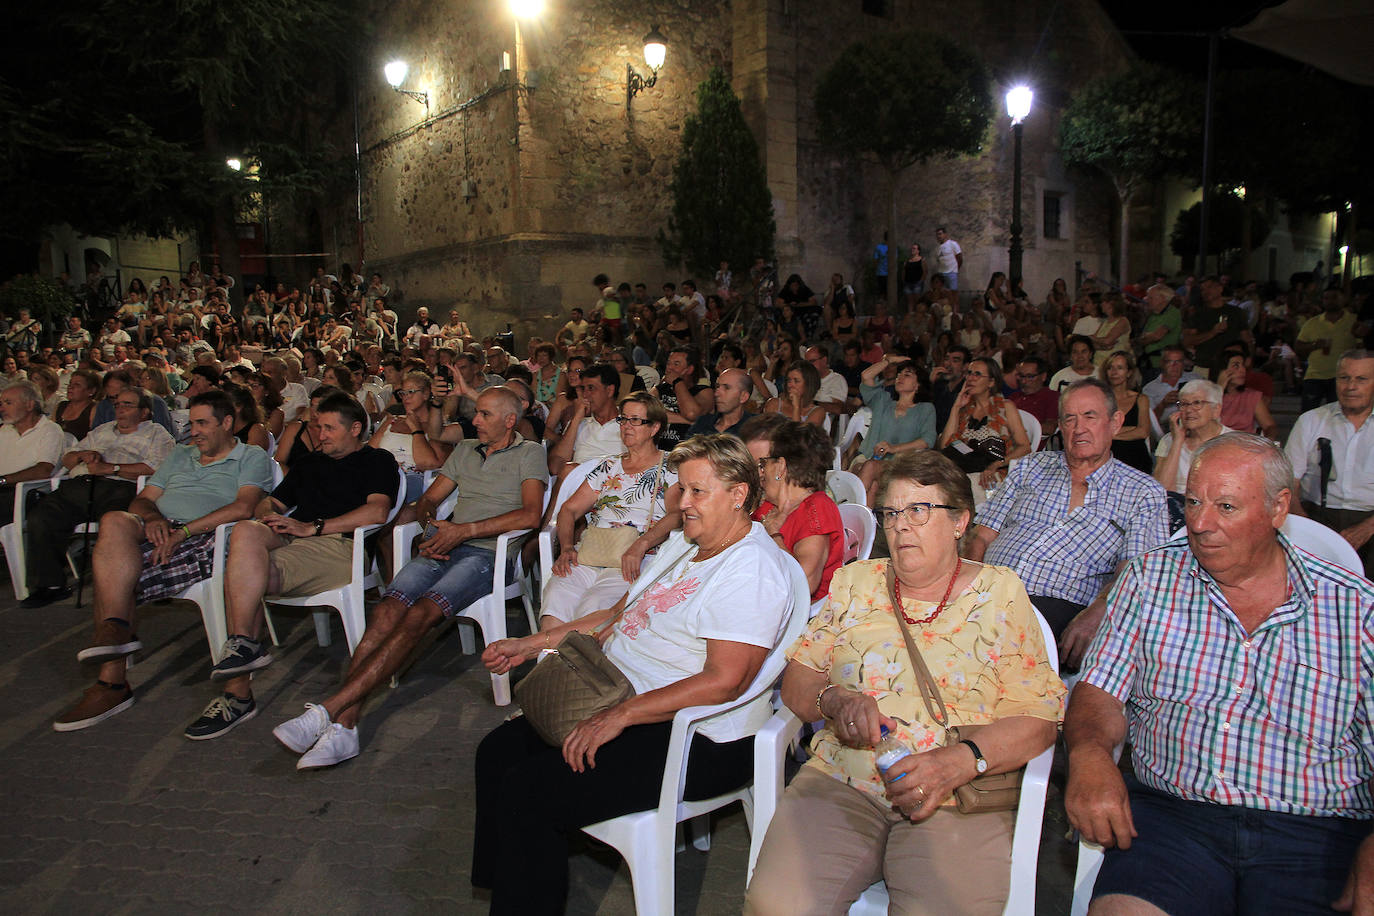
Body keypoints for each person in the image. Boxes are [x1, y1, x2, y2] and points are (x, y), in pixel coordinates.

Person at [471, 434, 795, 912]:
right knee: (497, 753)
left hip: (699, 735)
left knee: (530, 792)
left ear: (739, 494)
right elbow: (618, 612)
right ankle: (512, 888)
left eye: (697, 492)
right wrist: (530, 643)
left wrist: (621, 715)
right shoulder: (687, 544)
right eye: (681, 490)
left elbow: (726, 680)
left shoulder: (751, 569)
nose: (683, 502)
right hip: (621, 696)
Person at [1064, 433, 1374, 915]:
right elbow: (1100, 688)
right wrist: (1088, 753)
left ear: (1278, 508)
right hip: (1174, 817)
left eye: (1226, 506)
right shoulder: (1151, 579)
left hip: (1317, 831)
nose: (1200, 523)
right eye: (1192, 502)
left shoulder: (1355, 608)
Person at [745, 450, 1064, 915]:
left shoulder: (1000, 593)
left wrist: (959, 762)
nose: (901, 525)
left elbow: (1038, 720)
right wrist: (833, 700)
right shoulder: (857, 582)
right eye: (891, 512)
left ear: (960, 521)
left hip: (956, 795)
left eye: (919, 509)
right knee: (775, 907)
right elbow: (798, 679)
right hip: (846, 779)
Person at [269, 387, 546, 768]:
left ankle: (327, 709)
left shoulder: (530, 453)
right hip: (446, 543)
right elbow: (430, 499)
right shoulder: (466, 450)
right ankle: (346, 726)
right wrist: (433, 529)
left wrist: (463, 531)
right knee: (386, 610)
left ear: (509, 421)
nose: (474, 421)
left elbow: (531, 516)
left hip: (488, 555)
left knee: (419, 615)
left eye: (482, 415)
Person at [51, 391, 273, 731]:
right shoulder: (180, 454)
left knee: (114, 576)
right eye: (192, 423)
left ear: (227, 423)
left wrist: (182, 533)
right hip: (160, 530)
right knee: (113, 521)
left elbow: (243, 508)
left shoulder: (250, 456)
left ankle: (111, 683)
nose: (194, 431)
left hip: (206, 536)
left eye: (203, 423)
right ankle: (114, 632)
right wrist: (154, 520)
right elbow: (142, 500)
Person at [182, 392, 399, 741]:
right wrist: (268, 515)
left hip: (338, 547)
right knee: (246, 532)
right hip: (295, 540)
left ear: (356, 428)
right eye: (318, 427)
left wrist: (312, 526)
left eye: (329, 428)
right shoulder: (311, 463)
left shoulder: (377, 461)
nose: (321, 434)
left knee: (241, 579)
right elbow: (274, 501)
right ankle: (244, 645)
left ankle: (237, 693)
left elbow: (377, 512)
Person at [966, 379, 1169, 653]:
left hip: (1057, 606)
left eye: (1090, 416)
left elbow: (1137, 572)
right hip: (988, 592)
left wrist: (1098, 614)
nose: (1078, 428)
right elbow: (982, 536)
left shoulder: (1142, 492)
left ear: (1115, 422)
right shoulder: (1031, 466)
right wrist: (967, 590)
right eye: (1069, 419)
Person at [21, 387, 176, 608]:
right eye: (117, 404)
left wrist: (110, 468)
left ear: (144, 412)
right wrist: (82, 455)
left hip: (122, 487)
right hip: (80, 485)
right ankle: (50, 585)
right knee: (42, 516)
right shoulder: (101, 430)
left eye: (127, 405)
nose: (120, 409)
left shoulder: (156, 434)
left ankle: (127, 586)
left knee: (115, 525)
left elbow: (156, 469)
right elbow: (67, 459)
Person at [542, 392, 680, 629]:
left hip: (637, 557)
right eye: (623, 419)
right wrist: (565, 547)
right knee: (556, 596)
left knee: (596, 605)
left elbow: (677, 515)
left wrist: (641, 544)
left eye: (635, 420)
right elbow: (569, 510)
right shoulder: (608, 466)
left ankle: (576, 662)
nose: (626, 426)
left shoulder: (670, 468)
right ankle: (550, 661)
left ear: (654, 427)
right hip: (592, 552)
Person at [1285, 350, 1374, 578]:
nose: (1350, 386)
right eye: (1344, 378)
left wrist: (1366, 529)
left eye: (1361, 379)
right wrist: (1306, 529)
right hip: (1317, 515)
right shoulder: (1311, 421)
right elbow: (1288, 481)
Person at [744, 419, 844, 601]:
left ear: (780, 467)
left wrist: (774, 535)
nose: (760, 472)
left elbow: (805, 583)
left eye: (764, 463)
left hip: (796, 613)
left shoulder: (818, 508)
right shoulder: (770, 507)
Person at [936, 357, 1030, 492]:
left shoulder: (1005, 407)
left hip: (994, 471)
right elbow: (945, 445)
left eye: (977, 374)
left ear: (991, 382)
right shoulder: (964, 408)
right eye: (969, 373)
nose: (971, 378)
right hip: (963, 469)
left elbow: (1025, 447)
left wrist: (996, 465)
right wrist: (956, 407)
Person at [853, 355, 936, 506]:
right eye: (899, 374)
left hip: (900, 465)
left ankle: (847, 516)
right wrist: (888, 361)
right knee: (870, 480)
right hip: (870, 460)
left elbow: (927, 440)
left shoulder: (925, 409)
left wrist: (893, 448)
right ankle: (863, 525)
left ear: (918, 385)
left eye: (907, 375)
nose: (900, 377)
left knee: (869, 468)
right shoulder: (883, 401)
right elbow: (866, 376)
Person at [1153, 379, 1231, 528]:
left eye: (1197, 403)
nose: (1188, 410)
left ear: (1216, 410)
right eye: (1183, 404)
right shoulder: (1169, 441)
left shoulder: (1233, 442)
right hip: (1174, 516)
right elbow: (1161, 492)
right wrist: (1177, 442)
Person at [369, 372, 446, 504]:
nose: (405, 397)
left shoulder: (436, 429)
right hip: (380, 475)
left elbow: (429, 463)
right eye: (402, 393)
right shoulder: (391, 421)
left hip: (410, 481)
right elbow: (369, 454)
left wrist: (416, 430)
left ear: (426, 394)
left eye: (410, 392)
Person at [0, 381, 66, 524]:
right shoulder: (5, 429)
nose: (2, 408)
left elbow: (43, 470)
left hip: (28, 493)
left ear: (29, 405)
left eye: (8, 403)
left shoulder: (50, 430)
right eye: (2, 403)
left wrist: (3, 480)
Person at [1296, 288, 1366, 412]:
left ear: (1343, 299)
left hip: (1343, 376)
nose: (1330, 301)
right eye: (1326, 298)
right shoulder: (1313, 323)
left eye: (1334, 297)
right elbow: (1298, 347)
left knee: (1340, 415)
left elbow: (1363, 347)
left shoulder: (1354, 320)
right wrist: (1314, 345)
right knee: (1308, 414)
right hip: (1315, 375)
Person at [1182, 275, 1252, 382]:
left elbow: (1246, 338)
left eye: (1209, 287)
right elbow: (1187, 341)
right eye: (1203, 289)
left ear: (1220, 288)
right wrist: (1212, 332)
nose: (1206, 291)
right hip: (1204, 366)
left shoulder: (1235, 312)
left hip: (1229, 367)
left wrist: (1248, 357)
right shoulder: (1197, 314)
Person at [1100, 352, 1152, 473]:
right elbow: (1100, 429)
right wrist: (1132, 429)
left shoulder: (1141, 399)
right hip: (1107, 457)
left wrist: (1111, 435)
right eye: (1110, 368)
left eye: (1119, 368)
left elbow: (1143, 431)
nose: (1114, 372)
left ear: (1129, 372)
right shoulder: (1100, 399)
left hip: (1136, 458)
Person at [655, 346, 713, 447]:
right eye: (668, 363)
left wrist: (677, 382)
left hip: (689, 449)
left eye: (676, 364)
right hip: (658, 449)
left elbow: (691, 413)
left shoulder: (703, 391)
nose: (669, 367)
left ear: (689, 369)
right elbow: (644, 409)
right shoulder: (661, 389)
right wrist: (686, 420)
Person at [1219, 348, 1277, 438]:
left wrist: (1268, 442)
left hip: (1245, 445)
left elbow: (1269, 426)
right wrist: (1219, 389)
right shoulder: (1206, 393)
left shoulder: (1251, 396)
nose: (1242, 370)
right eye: (1236, 366)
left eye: (1243, 366)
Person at [687, 367, 756, 436]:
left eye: (727, 388)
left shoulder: (755, 428)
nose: (716, 394)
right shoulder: (703, 422)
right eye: (717, 386)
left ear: (743, 397)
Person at [1142, 345, 1199, 426]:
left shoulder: (1195, 380)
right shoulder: (1150, 389)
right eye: (1169, 361)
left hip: (1194, 423)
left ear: (1183, 363)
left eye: (1178, 361)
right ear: (1162, 363)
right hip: (1165, 429)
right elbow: (1148, 422)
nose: (1174, 366)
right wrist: (1163, 404)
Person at [763, 360, 828, 428]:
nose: (790, 385)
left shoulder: (817, 412)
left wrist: (796, 407)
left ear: (809, 384)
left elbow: (799, 437)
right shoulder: (774, 404)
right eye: (789, 380)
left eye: (796, 381)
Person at [1008, 356, 1058, 441]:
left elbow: (1049, 428)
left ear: (1043, 376)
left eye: (1030, 376)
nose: (1024, 381)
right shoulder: (1013, 397)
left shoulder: (1052, 397)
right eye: (1021, 376)